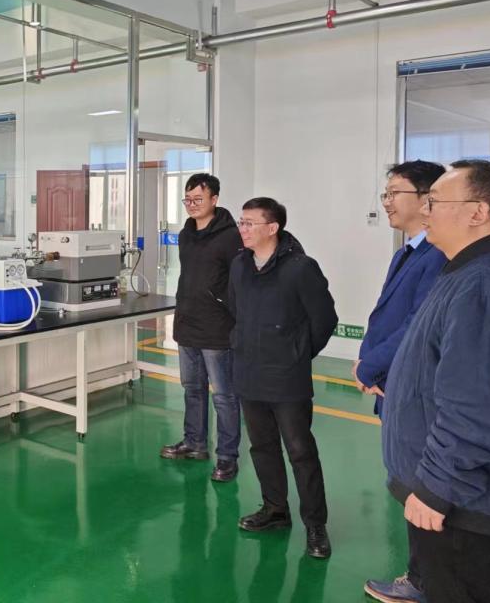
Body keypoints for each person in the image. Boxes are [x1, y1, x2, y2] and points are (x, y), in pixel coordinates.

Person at [381, 160, 490, 603]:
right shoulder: (464, 270)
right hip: (449, 489)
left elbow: (477, 404)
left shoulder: (484, 285)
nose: (425, 210)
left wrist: (437, 488)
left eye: (435, 201)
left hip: (459, 500)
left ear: (478, 212)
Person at [228, 198, 338, 559]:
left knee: (300, 451)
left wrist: (297, 354)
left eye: (249, 223)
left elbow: (324, 319)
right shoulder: (240, 265)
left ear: (272, 228)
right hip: (249, 372)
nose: (242, 229)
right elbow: (235, 310)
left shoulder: (300, 268)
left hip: (287, 378)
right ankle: (275, 509)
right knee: (261, 447)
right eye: (241, 222)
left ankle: (315, 525)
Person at [360, 161, 447, 603]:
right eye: (386, 194)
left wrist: (370, 365)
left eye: (395, 193)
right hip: (393, 384)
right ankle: (422, 575)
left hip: (415, 390)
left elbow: (417, 325)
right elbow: (386, 317)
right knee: (409, 483)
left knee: (423, 486)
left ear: (427, 198)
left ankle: (426, 581)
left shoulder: (438, 255)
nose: (387, 202)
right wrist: (371, 362)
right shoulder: (406, 252)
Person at [160, 173, 242, 482]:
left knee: (224, 396)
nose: (192, 205)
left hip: (217, 327)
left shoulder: (231, 237)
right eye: (188, 199)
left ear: (214, 199)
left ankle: (227, 457)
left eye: (198, 199)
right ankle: (194, 442)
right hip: (188, 323)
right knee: (192, 390)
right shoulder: (186, 234)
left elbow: (238, 282)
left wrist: (226, 309)